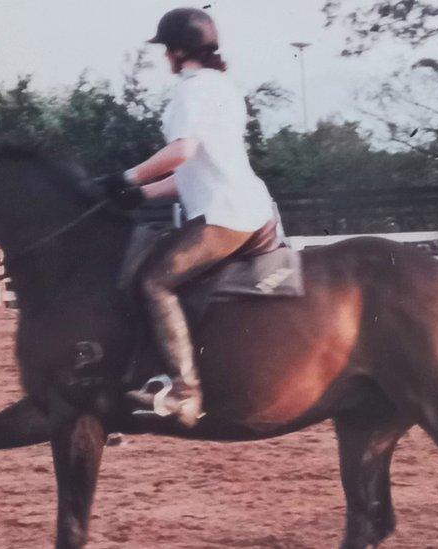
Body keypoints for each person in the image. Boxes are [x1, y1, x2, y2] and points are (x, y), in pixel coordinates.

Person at [96, 7, 277, 427]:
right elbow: (187, 175)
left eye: (167, 51)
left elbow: (181, 153)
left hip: (224, 216)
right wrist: (138, 193)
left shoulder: (190, 90)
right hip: (247, 208)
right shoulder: (222, 87)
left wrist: (125, 176)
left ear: (178, 51)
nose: (166, 59)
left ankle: (183, 392)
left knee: (153, 281)